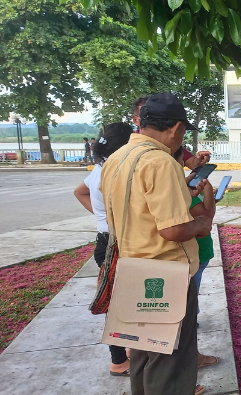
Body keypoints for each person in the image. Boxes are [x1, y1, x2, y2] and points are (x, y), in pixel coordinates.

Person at [102, 93, 212, 395]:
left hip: (131, 269)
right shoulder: (161, 162)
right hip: (166, 276)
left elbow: (140, 212)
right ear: (177, 128)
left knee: (141, 354)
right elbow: (174, 229)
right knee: (170, 361)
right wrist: (202, 223)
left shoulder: (117, 158)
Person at [74, 123, 133, 377]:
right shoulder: (116, 169)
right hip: (115, 244)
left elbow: (80, 192)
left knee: (123, 302)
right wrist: (107, 219)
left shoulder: (101, 168)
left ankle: (126, 352)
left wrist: (102, 218)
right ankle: (118, 360)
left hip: (106, 240)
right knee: (118, 304)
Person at [172, 147, 222, 370]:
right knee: (184, 308)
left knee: (189, 301)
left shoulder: (186, 188)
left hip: (198, 253)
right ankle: (189, 357)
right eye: (187, 160)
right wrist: (208, 186)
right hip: (192, 254)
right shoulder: (178, 190)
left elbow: (207, 212)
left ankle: (188, 353)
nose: (192, 163)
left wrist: (205, 189)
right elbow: (207, 215)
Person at [132, 96, 211, 170]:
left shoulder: (173, 146)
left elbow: (194, 164)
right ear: (135, 120)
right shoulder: (163, 162)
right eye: (145, 116)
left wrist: (200, 160)